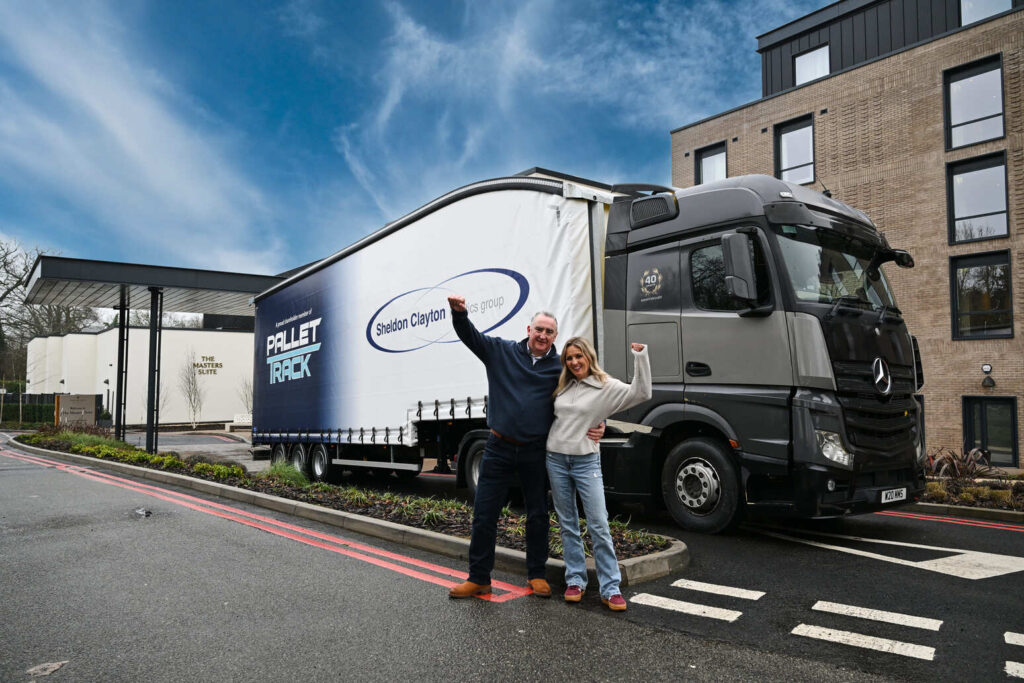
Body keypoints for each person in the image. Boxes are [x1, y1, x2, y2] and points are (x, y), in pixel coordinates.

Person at [446, 295, 603, 599]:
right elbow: (470, 337)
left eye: (549, 332)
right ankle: (479, 577)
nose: (543, 336)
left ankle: (537, 574)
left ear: (555, 337)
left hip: (535, 450)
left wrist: (600, 421)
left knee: (538, 514)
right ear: (528, 329)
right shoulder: (501, 351)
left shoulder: (561, 368)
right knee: (484, 513)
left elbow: (592, 389)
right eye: (539, 329)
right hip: (498, 447)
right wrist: (459, 315)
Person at [546, 337, 651, 612]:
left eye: (579, 356)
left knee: (598, 524)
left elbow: (641, 393)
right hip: (556, 459)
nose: (574, 362)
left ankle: (610, 588)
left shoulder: (605, 386)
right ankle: (575, 580)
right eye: (569, 358)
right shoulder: (562, 385)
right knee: (567, 523)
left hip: (586, 462)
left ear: (588, 357)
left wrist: (640, 357)